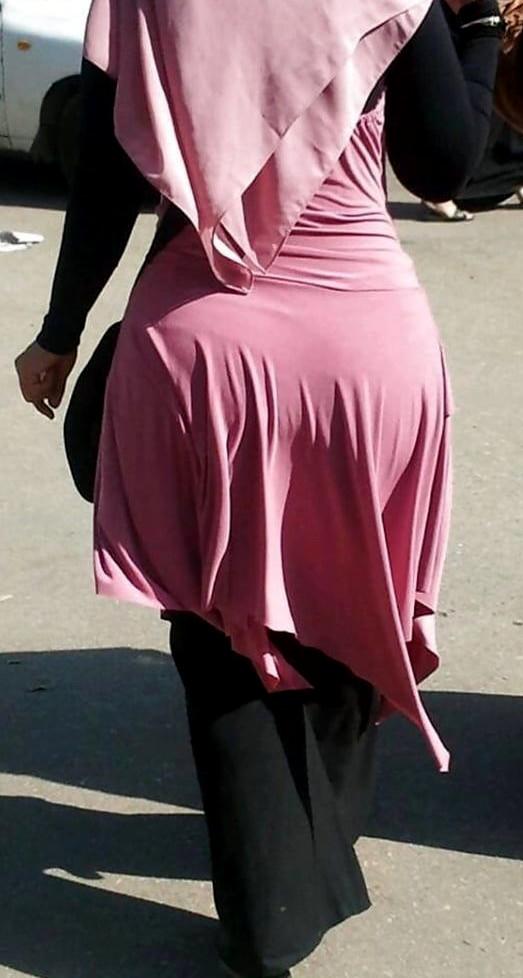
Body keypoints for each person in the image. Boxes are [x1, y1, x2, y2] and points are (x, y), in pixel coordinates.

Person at [14, 2, 503, 976]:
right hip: (360, 352)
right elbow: (446, 168)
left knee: (217, 630)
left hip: (197, 350)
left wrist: (59, 332)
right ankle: (311, 850)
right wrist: (479, 23)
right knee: (349, 591)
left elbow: (108, 177)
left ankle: (265, 907)